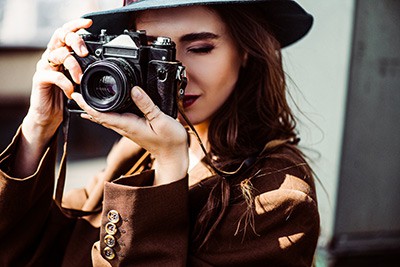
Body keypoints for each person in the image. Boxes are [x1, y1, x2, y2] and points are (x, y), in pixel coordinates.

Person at [0, 0, 320, 266]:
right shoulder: (136, 152)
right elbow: (38, 250)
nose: (176, 72)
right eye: (154, 49)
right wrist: (38, 129)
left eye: (200, 48)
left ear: (247, 49)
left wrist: (169, 167)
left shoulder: (279, 195)